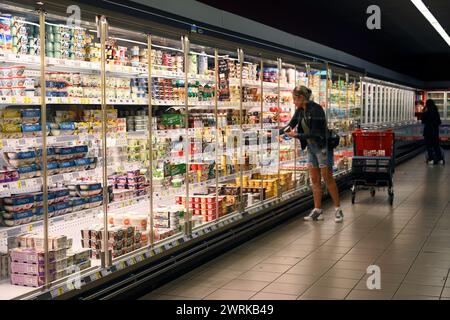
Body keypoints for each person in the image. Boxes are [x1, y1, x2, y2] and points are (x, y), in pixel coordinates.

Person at [279, 85, 343, 223]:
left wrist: (296, 135)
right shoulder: (300, 110)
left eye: (294, 99)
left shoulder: (316, 110)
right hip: (311, 148)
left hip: (322, 147)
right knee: (314, 179)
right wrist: (272, 133)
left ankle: (338, 210)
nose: (293, 102)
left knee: (327, 178)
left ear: (301, 98)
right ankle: (318, 210)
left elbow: (315, 133)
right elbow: (290, 125)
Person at [422, 99, 444, 165]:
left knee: (429, 147)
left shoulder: (426, 113)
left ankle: (431, 160)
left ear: (427, 105)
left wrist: (424, 112)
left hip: (428, 132)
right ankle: (440, 160)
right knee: (436, 146)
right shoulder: (436, 112)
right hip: (435, 132)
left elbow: (423, 121)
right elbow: (439, 122)